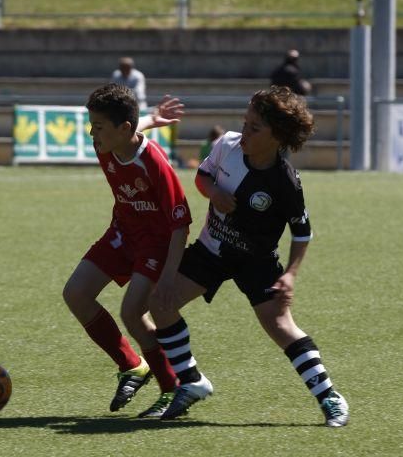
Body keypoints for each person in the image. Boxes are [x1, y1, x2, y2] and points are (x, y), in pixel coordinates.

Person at [148, 86, 350, 427]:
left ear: (278, 137)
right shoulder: (226, 145)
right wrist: (213, 191)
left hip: (257, 261)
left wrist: (290, 274)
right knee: (161, 303)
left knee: (280, 325)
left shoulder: (285, 182)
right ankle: (192, 380)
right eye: (246, 122)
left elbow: (302, 232)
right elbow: (202, 176)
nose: (245, 132)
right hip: (211, 249)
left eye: (255, 128)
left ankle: (328, 395)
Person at [62, 84, 190, 419]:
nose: (92, 133)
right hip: (122, 233)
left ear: (122, 129)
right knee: (76, 293)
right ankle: (132, 366)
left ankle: (171, 388)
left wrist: (168, 277)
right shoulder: (107, 143)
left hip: (156, 242)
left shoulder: (155, 163)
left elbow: (180, 224)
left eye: (98, 126)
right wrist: (151, 117)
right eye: (92, 125)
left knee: (132, 311)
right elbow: (129, 128)